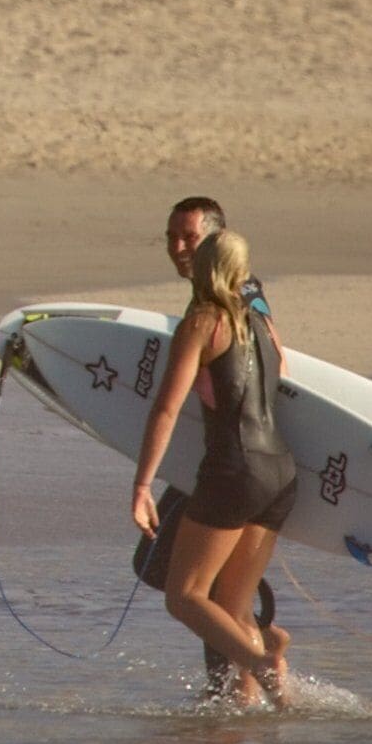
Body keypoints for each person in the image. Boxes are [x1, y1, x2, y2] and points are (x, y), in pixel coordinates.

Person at [129, 226, 296, 704]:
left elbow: (166, 408)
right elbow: (284, 378)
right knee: (231, 605)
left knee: (184, 597)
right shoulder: (261, 322)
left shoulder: (203, 321)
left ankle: (261, 662)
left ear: (204, 267)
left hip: (234, 471)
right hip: (281, 472)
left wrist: (142, 486)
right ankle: (262, 696)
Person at [151, 196, 276, 690]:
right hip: (254, 462)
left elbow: (170, 404)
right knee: (212, 592)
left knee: (182, 586)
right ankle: (238, 696)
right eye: (172, 237)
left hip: (231, 464)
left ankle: (242, 677)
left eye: (190, 238)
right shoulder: (225, 296)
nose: (179, 248)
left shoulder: (232, 298)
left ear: (217, 242)